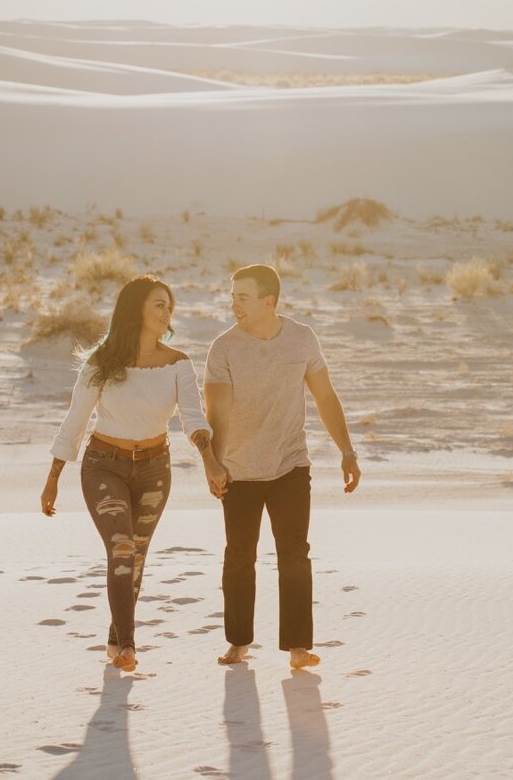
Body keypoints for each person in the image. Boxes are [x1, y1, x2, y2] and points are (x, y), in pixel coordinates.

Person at [41, 275, 230, 673]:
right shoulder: (102, 363)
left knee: (137, 556)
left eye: (169, 306)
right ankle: (128, 645)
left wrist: (209, 459)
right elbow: (76, 419)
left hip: (154, 469)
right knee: (122, 548)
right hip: (103, 465)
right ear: (136, 310)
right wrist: (54, 475)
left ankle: (116, 637)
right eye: (159, 304)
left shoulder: (178, 363)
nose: (167, 312)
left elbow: (193, 417)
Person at [203, 263, 361, 670]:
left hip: (290, 463)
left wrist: (347, 450)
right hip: (239, 469)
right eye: (232, 295)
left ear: (268, 301)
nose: (233, 304)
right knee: (240, 555)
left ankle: (297, 647)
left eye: (242, 297)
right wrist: (213, 465)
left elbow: (325, 397)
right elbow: (215, 411)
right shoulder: (223, 348)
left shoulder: (302, 339)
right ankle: (238, 643)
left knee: (295, 554)